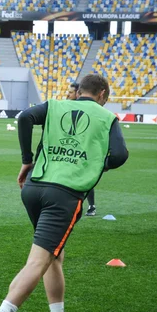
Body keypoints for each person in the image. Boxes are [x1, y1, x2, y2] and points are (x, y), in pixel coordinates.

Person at [0, 74, 128, 312]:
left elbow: (24, 118)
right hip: (64, 195)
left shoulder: (56, 105)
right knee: (39, 260)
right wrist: (96, 164)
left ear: (79, 91)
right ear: (103, 94)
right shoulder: (107, 117)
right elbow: (120, 155)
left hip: (33, 188)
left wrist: (26, 160)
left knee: (53, 257)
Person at [69, 82, 97, 216]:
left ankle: (91, 205)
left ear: (78, 93)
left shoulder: (89, 109)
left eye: (70, 92)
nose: (67, 95)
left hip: (84, 148)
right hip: (69, 147)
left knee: (85, 177)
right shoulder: (66, 107)